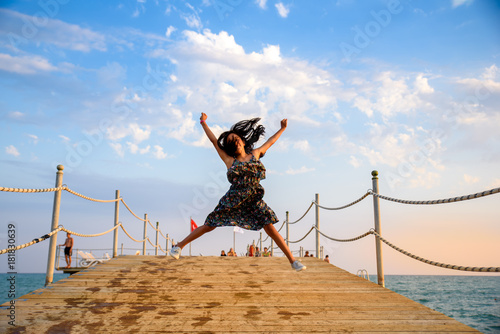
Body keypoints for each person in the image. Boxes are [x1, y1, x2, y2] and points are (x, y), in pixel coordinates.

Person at [170, 113, 306, 271]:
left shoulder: (255, 154)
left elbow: (271, 142)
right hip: (233, 198)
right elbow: (214, 141)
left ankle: (293, 261)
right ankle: (178, 246)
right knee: (209, 225)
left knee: (270, 228)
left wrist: (282, 129)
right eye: (231, 142)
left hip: (254, 200)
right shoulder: (230, 161)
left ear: (242, 140)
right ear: (230, 147)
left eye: (236, 138)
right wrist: (203, 123)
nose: (235, 142)